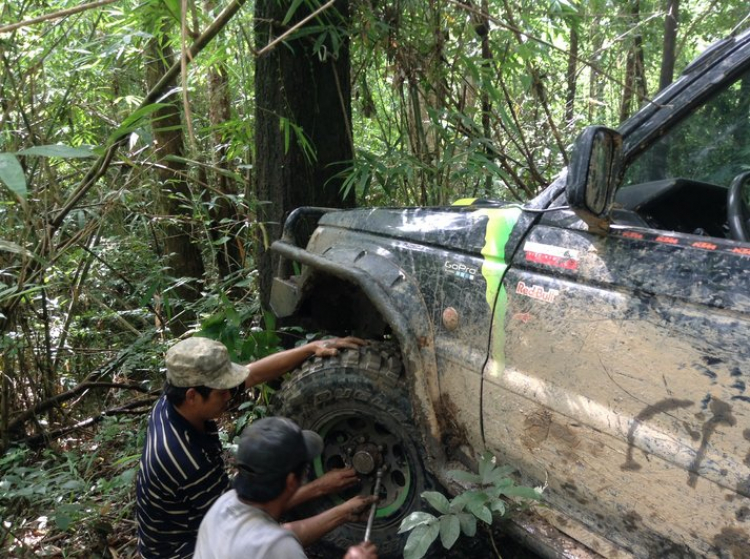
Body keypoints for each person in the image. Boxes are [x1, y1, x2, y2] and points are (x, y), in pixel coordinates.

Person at [136, 335, 366, 558]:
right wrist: (321, 489)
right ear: (192, 395)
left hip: (202, 520)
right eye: (222, 392)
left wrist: (310, 349)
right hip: (182, 550)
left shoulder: (177, 400)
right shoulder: (183, 459)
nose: (230, 395)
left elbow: (252, 374)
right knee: (273, 539)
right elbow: (254, 509)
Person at [194, 417, 378, 559]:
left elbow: (278, 538)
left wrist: (342, 513)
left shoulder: (224, 506)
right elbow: (277, 545)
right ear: (291, 481)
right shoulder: (279, 549)